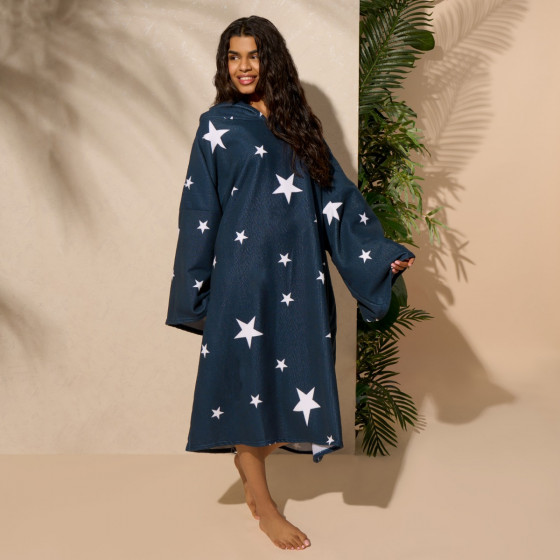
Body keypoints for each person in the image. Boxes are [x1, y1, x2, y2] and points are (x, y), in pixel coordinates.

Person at [166, 15, 415, 551]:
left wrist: (377, 256)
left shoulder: (297, 123)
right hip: (242, 281)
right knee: (245, 384)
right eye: (233, 56)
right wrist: (194, 289)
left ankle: (248, 464)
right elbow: (199, 211)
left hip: (300, 277)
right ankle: (263, 504)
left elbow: (337, 197)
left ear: (271, 59)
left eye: (253, 55)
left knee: (302, 384)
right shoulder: (216, 125)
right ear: (224, 64)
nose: (243, 66)